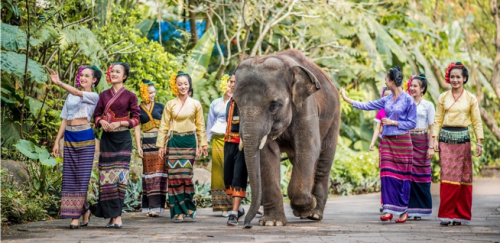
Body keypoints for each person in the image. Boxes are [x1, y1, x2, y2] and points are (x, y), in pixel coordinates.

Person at [341, 66, 416, 223]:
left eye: (386, 79)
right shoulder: (386, 99)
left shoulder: (409, 100)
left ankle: (403, 211)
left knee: (402, 177)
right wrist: (347, 99)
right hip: (387, 141)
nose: (385, 82)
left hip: (403, 143)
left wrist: (393, 122)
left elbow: (412, 123)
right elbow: (367, 105)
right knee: (387, 175)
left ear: (393, 81)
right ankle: (388, 209)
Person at [433, 62, 484, 226]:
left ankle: (459, 214)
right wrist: (434, 139)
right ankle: (446, 214)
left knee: (462, 177)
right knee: (447, 176)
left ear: (464, 79)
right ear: (449, 78)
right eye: (452, 77)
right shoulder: (443, 97)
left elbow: (476, 121)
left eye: (458, 77)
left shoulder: (471, 98)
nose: (455, 80)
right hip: (446, 140)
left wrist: (479, 142)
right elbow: (437, 119)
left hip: (463, 139)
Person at [50, 66, 101, 229]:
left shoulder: (93, 95)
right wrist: (57, 140)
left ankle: (75, 217)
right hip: (69, 137)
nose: (83, 78)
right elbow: (64, 119)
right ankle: (85, 210)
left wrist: (59, 83)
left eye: (87, 76)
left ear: (94, 80)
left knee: (83, 176)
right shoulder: (70, 97)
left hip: (85, 137)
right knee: (70, 176)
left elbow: (79, 93)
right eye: (82, 75)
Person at [93, 62, 141, 228]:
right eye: (112, 71)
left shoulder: (130, 96)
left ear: (124, 76)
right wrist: (101, 122)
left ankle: (118, 216)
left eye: (117, 72)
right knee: (106, 177)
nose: (113, 74)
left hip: (123, 140)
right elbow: (96, 114)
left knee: (120, 177)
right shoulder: (103, 95)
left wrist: (120, 124)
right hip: (107, 139)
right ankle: (111, 216)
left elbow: (136, 119)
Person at [157, 71, 208, 223]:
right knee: (174, 178)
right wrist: (160, 146)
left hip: (189, 143)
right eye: (180, 84)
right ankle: (179, 212)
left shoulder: (196, 104)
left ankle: (189, 207)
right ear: (175, 86)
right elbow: (164, 125)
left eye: (185, 83)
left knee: (186, 177)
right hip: (174, 142)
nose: (183, 86)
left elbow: (200, 126)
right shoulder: (170, 104)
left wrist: (202, 144)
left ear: (189, 85)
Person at [406, 74, 435, 220]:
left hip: (423, 141)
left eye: (415, 86)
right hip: (407, 140)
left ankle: (421, 210)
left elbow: (432, 127)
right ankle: (408, 209)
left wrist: (431, 147)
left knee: (422, 176)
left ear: (422, 88)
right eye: (411, 86)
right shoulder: (406, 103)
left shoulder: (428, 105)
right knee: (407, 175)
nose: (412, 88)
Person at [137, 79, 166, 217]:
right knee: (148, 175)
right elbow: (137, 129)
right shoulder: (137, 109)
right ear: (143, 93)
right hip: (146, 144)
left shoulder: (160, 106)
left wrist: (165, 143)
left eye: (154, 92)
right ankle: (149, 207)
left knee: (159, 175)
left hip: (159, 144)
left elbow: (167, 126)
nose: (153, 94)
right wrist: (138, 147)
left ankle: (157, 207)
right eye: (150, 92)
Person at [206, 74, 233, 217]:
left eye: (232, 85)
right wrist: (205, 142)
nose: (230, 88)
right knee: (218, 172)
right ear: (223, 85)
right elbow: (210, 123)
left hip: (232, 138)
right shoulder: (215, 103)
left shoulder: (237, 103)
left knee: (230, 171)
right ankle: (222, 206)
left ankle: (232, 205)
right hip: (217, 138)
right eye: (228, 85)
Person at [223, 75, 247, 226]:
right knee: (228, 178)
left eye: (235, 82)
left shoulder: (245, 102)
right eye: (231, 82)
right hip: (228, 143)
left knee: (238, 177)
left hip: (242, 144)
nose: (232, 84)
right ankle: (239, 208)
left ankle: (233, 213)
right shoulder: (229, 102)